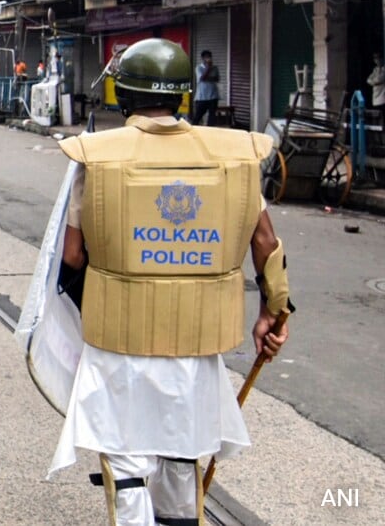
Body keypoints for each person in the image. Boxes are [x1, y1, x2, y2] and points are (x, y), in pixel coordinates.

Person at [52, 38, 292, 525]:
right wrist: (275, 312)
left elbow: (72, 255)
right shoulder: (235, 157)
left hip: (118, 342)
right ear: (183, 94)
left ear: (123, 95)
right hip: (196, 343)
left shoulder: (96, 158)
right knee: (182, 454)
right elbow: (266, 243)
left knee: (126, 462)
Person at [192, 49, 220, 125]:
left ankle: (210, 130)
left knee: (212, 117)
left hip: (213, 96)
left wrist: (208, 77)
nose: (208, 58)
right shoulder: (199, 67)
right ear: (203, 58)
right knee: (198, 116)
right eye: (206, 57)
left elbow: (217, 79)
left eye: (209, 57)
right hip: (202, 97)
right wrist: (208, 68)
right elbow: (202, 78)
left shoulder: (215, 68)